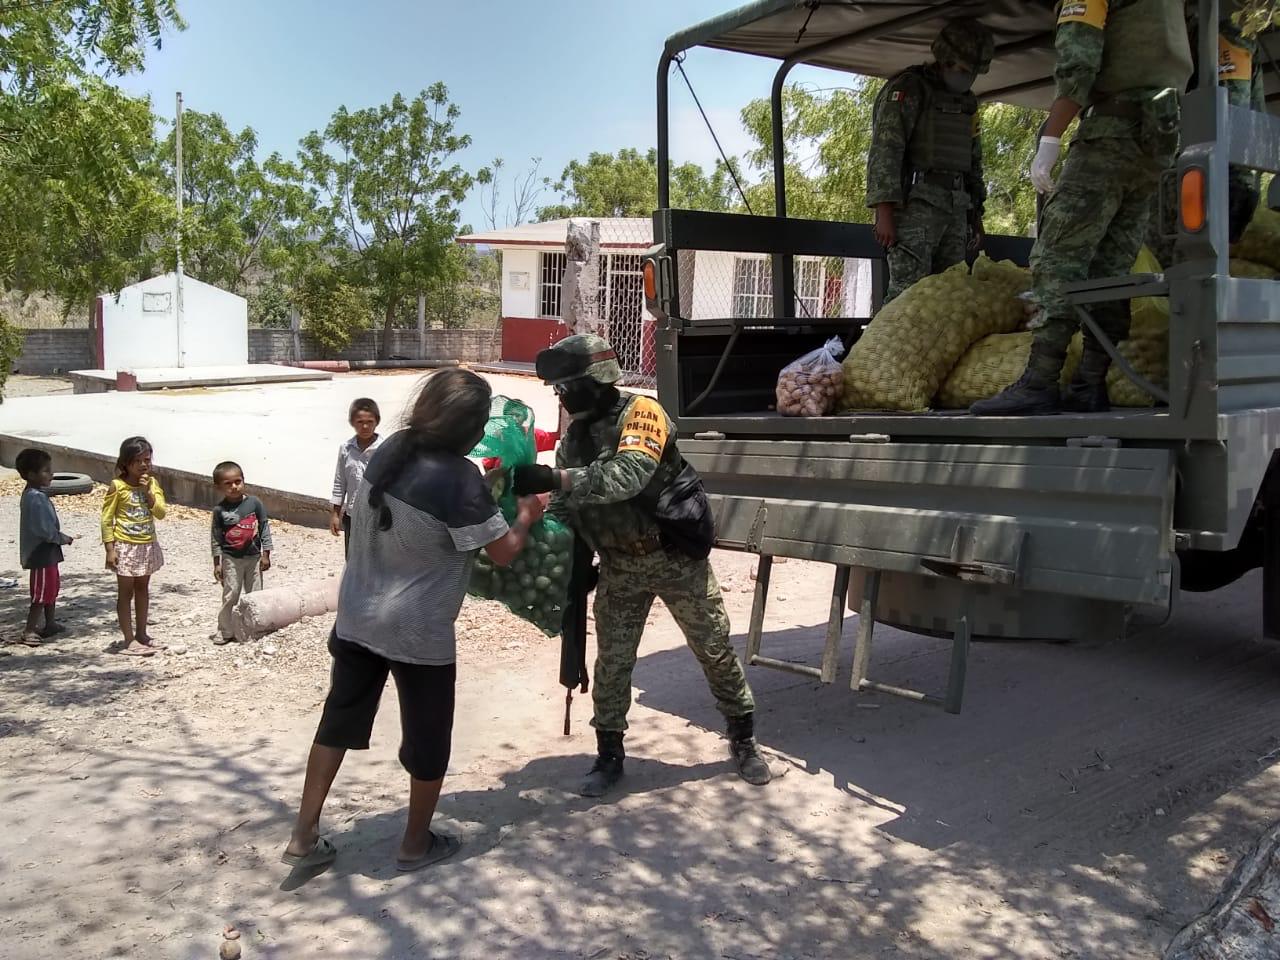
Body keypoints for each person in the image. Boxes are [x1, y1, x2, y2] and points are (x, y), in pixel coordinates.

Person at [282, 369, 544, 873]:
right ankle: (415, 843)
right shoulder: (459, 479)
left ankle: (303, 832)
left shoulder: (391, 447)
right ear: (468, 428)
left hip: (358, 613)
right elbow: (503, 552)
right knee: (428, 736)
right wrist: (527, 515)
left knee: (338, 720)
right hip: (417, 630)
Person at [513, 334, 771, 798]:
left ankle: (743, 738)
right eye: (558, 390)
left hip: (672, 557)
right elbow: (566, 509)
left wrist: (557, 478)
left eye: (567, 387)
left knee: (713, 648)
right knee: (612, 663)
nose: (562, 397)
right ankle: (609, 754)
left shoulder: (643, 414)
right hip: (620, 566)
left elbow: (628, 475)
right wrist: (554, 547)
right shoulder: (574, 441)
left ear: (595, 380)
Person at [971, 0, 1193, 416]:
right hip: (1158, 141)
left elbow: (1079, 63)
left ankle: (1039, 383)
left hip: (1111, 133)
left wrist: (1050, 139)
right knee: (1112, 268)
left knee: (1058, 256)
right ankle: (1091, 382)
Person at [867, 19, 994, 305]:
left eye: (972, 72)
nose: (967, 78)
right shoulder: (910, 88)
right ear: (945, 59)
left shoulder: (967, 102)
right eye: (963, 70)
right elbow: (886, 148)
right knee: (907, 298)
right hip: (916, 207)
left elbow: (973, 159)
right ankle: (885, 340)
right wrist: (884, 210)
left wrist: (976, 213)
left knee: (948, 299)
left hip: (955, 208)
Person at [1146, 5, 1266, 267]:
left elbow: (1230, 118)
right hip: (1197, 180)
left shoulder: (1216, 37)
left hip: (1207, 183)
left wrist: (1235, 187)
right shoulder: (1197, 36)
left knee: (1186, 268)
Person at [102, 436, 167, 656]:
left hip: (146, 545)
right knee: (125, 592)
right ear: (125, 463)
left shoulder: (152, 484)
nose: (143, 465)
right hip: (125, 546)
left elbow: (161, 513)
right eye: (137, 461)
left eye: (146, 460)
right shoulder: (118, 486)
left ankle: (142, 634)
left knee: (142, 589)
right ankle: (128, 639)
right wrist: (110, 549)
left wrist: (148, 493)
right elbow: (106, 519)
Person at [16, 448, 76, 646]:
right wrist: (61, 538)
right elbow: (44, 529)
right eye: (46, 471)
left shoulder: (37, 494)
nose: (51, 474)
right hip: (40, 552)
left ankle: (50, 623)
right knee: (41, 593)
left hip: (48, 552)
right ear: (31, 474)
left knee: (51, 588)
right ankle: (29, 629)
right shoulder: (34, 497)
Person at [210, 461, 273, 645]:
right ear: (218, 487)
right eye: (228, 483)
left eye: (237, 481)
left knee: (256, 594)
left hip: (254, 557)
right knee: (231, 594)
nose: (234, 487)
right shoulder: (220, 510)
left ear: (244, 480)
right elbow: (216, 538)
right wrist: (217, 563)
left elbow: (264, 527)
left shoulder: (254, 503)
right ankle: (225, 630)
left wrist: (266, 554)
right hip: (231, 559)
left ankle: (256, 628)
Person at [330, 398, 382, 557]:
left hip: (377, 517)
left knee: (376, 560)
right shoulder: (346, 449)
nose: (365, 426)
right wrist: (335, 514)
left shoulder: (384, 449)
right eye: (360, 422)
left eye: (369, 421)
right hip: (352, 516)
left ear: (377, 422)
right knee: (353, 559)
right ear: (352, 422)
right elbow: (340, 482)